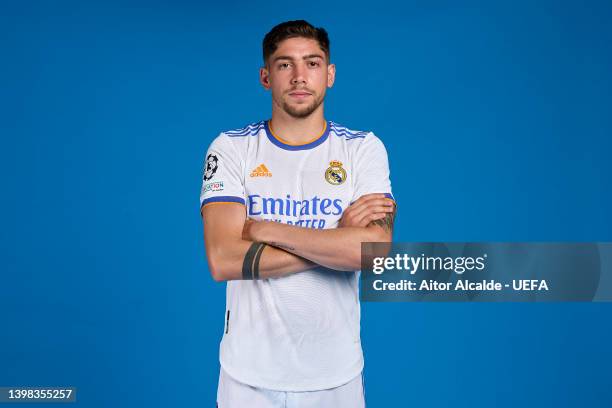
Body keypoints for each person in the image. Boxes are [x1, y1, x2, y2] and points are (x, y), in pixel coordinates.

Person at [200, 20, 396, 408]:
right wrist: (335, 241)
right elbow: (223, 259)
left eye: (312, 62)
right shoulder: (231, 149)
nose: (300, 76)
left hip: (335, 377)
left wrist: (266, 228)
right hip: (248, 378)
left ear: (330, 73)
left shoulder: (363, 150)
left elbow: (373, 253)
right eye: (285, 64)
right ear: (266, 76)